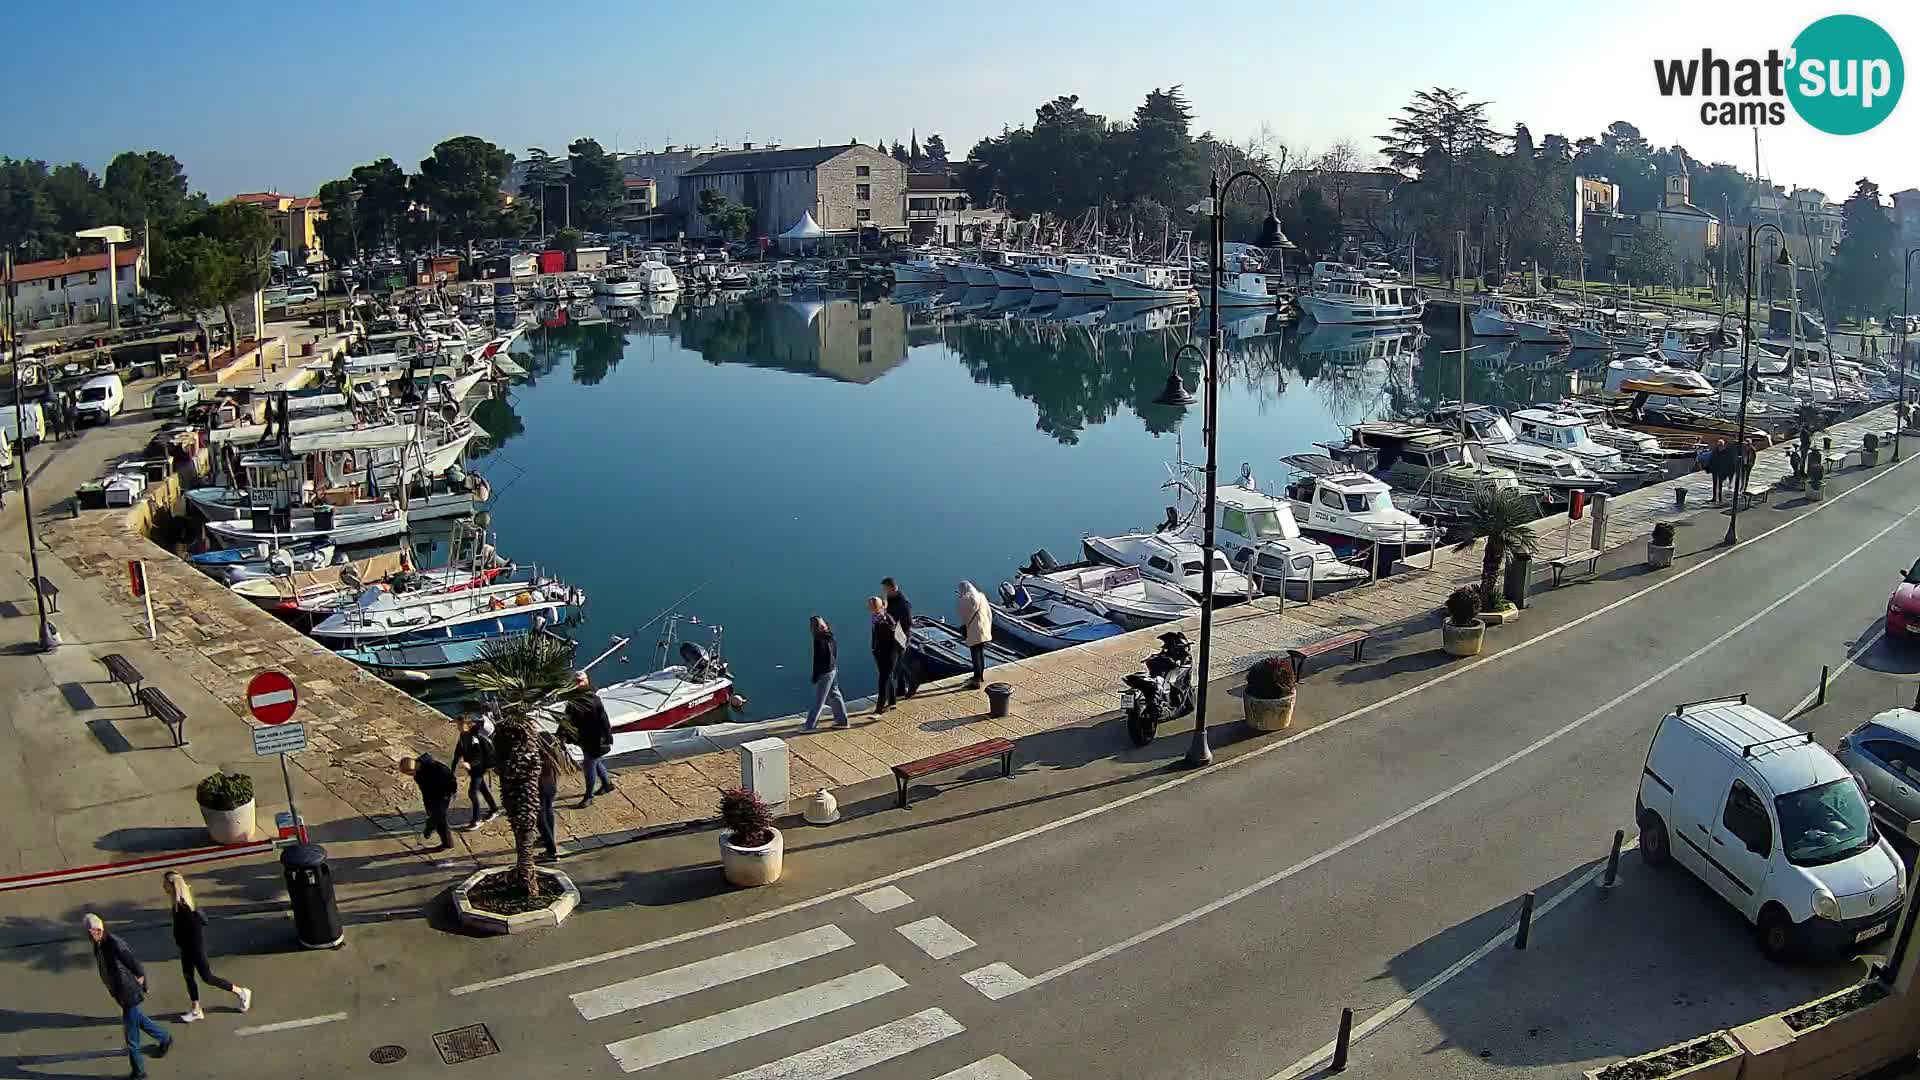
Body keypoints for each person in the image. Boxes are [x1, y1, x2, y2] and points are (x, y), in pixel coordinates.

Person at [87, 912, 171, 1079]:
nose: (88, 937)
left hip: (128, 993)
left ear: (97, 930)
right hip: (120, 992)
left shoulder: (114, 944)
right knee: (138, 1019)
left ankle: (139, 1072)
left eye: (90, 933)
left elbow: (135, 965)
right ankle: (164, 1037)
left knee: (132, 1039)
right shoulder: (99, 944)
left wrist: (143, 984)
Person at [162, 871, 250, 1022]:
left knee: (207, 977)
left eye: (164, 883)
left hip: (193, 947)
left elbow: (193, 928)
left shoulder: (183, 906)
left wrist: (188, 946)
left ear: (172, 885)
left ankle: (241, 992)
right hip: (186, 947)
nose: (163, 886)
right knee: (188, 976)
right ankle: (196, 1009)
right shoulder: (178, 903)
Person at [565, 672, 614, 808]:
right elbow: (567, 718)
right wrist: (563, 734)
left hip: (595, 739)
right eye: (576, 681)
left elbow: (604, 720)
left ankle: (589, 796)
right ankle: (606, 784)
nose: (578, 683)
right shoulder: (573, 700)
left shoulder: (594, 699)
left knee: (589, 767)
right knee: (596, 762)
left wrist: (608, 737)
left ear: (586, 681)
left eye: (580, 681)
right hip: (582, 738)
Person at [399, 753, 457, 852]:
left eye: (409, 773)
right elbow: (425, 790)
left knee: (439, 818)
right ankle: (432, 829)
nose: (409, 775)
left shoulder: (437, 768)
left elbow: (451, 780)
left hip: (443, 796)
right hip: (431, 798)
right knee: (435, 816)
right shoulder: (418, 773)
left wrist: (449, 793)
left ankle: (446, 842)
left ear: (412, 769)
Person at [803, 615, 850, 730]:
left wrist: (815, 676)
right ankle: (842, 721)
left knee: (819, 700)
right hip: (833, 669)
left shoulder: (819, 640)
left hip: (826, 672)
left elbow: (818, 660)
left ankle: (810, 726)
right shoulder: (830, 636)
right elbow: (833, 654)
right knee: (835, 694)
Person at [453, 713, 498, 830]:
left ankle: (476, 820)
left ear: (468, 725)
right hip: (473, 769)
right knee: (482, 788)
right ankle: (494, 809)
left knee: (472, 793)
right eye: (457, 724)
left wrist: (469, 763)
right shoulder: (463, 736)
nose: (458, 727)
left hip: (479, 768)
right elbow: (458, 752)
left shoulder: (474, 738)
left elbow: (478, 756)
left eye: (460, 725)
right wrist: (452, 769)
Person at [868, 596, 904, 715]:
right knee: (886, 677)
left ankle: (880, 707)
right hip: (880, 653)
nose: (869, 607)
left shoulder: (884, 621)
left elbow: (892, 640)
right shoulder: (877, 618)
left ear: (876, 607)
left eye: (871, 605)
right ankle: (892, 701)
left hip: (888, 655)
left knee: (883, 679)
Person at [882, 578, 915, 699]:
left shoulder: (903, 603)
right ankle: (901, 689)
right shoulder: (891, 599)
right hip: (893, 635)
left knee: (899, 663)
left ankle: (912, 681)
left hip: (901, 635)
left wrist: (895, 625)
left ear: (892, 588)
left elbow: (908, 622)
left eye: (886, 589)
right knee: (897, 664)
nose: (884, 592)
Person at [957, 581, 994, 690]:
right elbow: (988, 612)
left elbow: (964, 616)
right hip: (984, 629)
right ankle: (980, 676)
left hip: (974, 631)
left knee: (975, 654)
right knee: (980, 653)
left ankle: (976, 680)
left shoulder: (966, 599)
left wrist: (964, 628)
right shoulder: (981, 596)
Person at [534, 732, 562, 862]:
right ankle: (548, 838)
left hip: (542, 788)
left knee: (540, 818)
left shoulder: (539, 758)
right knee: (548, 811)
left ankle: (552, 850)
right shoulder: (553, 755)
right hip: (552, 786)